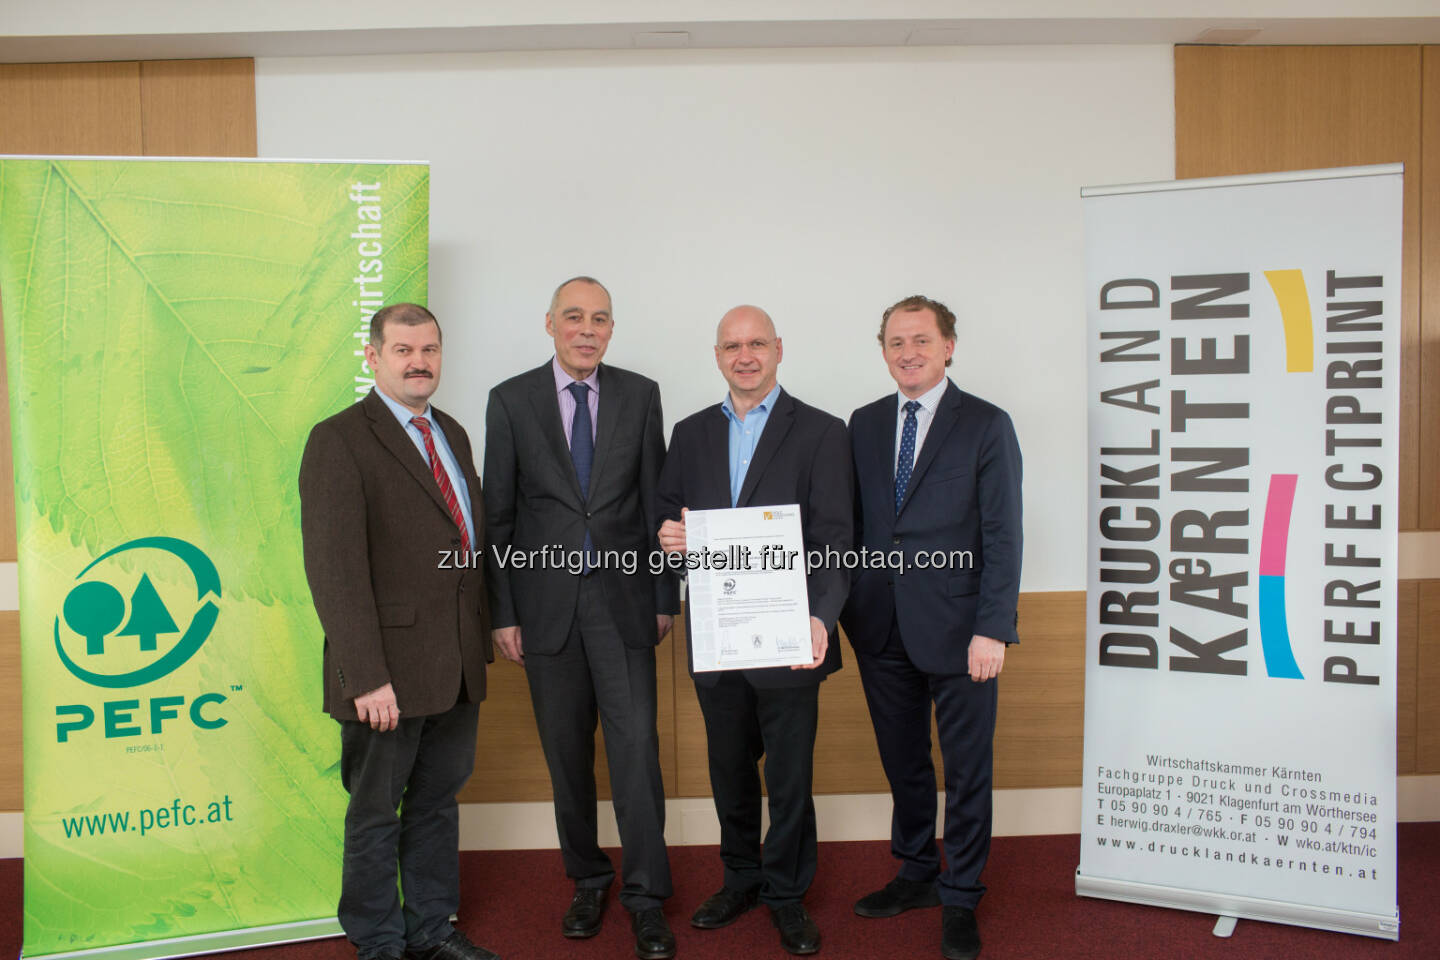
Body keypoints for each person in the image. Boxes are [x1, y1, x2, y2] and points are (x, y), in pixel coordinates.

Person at [483, 276, 677, 960]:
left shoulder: (640, 394)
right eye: (574, 317)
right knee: (567, 758)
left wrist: (662, 598)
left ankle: (648, 897)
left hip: (624, 605)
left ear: (611, 330)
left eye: (599, 319)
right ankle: (588, 878)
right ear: (550, 324)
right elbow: (498, 516)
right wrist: (503, 611)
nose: (586, 329)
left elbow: (658, 505)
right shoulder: (509, 401)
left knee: (635, 754)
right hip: (544, 610)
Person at [299, 303, 497, 960]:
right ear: (374, 356)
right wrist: (366, 674)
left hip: (457, 663)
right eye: (404, 350)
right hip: (386, 672)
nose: (419, 362)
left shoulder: (454, 435)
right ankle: (379, 942)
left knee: (437, 804)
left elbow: (467, 544)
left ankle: (432, 931)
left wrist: (492, 629)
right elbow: (334, 570)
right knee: (376, 813)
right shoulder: (340, 439)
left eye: (430, 350)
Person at [656, 305, 851, 957]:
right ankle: (740, 877)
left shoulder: (823, 432)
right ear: (717, 356)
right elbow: (664, 517)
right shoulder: (689, 435)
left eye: (757, 344)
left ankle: (787, 894)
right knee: (729, 768)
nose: (745, 355)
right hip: (717, 635)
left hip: (791, 637)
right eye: (732, 346)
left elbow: (836, 540)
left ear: (778, 350)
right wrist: (667, 536)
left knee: (789, 775)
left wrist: (821, 618)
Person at [840, 295, 1022, 960]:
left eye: (920, 339)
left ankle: (962, 893)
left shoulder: (986, 425)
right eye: (894, 341)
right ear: (883, 350)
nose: (907, 352)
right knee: (905, 762)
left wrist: (994, 627)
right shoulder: (861, 425)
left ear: (949, 346)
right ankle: (916, 870)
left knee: (967, 769)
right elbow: (846, 524)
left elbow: (1004, 532)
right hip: (880, 625)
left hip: (961, 628)